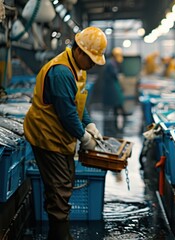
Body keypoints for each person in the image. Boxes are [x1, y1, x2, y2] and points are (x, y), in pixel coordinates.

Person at [23, 26, 107, 240]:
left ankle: (58, 232)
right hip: (47, 135)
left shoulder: (79, 68)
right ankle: (60, 235)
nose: (92, 64)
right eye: (90, 59)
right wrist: (83, 136)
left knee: (64, 182)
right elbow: (67, 113)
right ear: (79, 50)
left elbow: (78, 103)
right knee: (60, 188)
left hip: (60, 135)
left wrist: (89, 124)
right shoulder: (61, 72)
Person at [100, 47, 126, 132]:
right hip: (112, 89)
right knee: (116, 107)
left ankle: (116, 127)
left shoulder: (112, 64)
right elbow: (115, 75)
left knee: (116, 108)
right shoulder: (110, 65)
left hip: (113, 88)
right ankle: (113, 129)